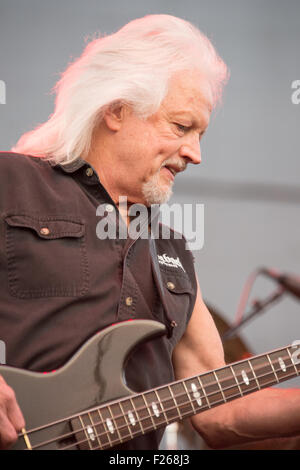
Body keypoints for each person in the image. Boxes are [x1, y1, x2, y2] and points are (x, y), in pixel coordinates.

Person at [0, 14, 299, 451]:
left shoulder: (173, 252)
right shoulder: (12, 182)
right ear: (117, 109)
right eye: (181, 127)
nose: (195, 154)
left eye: (200, 134)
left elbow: (219, 412)